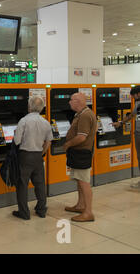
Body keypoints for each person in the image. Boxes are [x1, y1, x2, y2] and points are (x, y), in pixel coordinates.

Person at [12, 96, 53, 220]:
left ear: (29, 107)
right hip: (38, 156)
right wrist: (41, 153)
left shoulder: (23, 121)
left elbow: (17, 140)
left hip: (25, 155)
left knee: (22, 184)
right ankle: (41, 210)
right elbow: (49, 142)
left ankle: (24, 213)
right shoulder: (45, 122)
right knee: (40, 183)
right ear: (41, 108)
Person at [63, 93, 97, 222]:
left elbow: (82, 137)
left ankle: (88, 212)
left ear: (78, 101)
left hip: (82, 153)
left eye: (71, 100)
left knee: (84, 182)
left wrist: (68, 144)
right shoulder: (82, 114)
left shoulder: (85, 115)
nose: (69, 102)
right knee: (79, 180)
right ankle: (81, 205)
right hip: (78, 153)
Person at [112, 85, 140, 189]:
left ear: (138, 94)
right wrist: (120, 123)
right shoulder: (137, 103)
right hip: (138, 133)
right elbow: (132, 115)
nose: (133, 98)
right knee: (139, 157)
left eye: (133, 96)